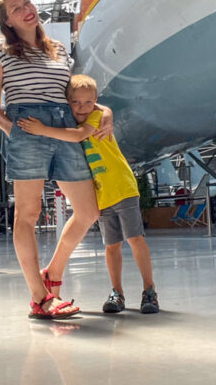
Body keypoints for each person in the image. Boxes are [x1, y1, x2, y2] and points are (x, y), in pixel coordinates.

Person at [0, 0, 113, 320]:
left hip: (63, 125)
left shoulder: (58, 50)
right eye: (16, 8)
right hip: (26, 126)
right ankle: (39, 298)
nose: (26, 9)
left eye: (26, 2)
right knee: (26, 214)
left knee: (88, 211)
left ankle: (52, 272)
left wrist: (103, 110)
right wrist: (12, 132)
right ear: (8, 21)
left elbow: (69, 95)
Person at [19, 74, 159, 314]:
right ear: (68, 102)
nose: (81, 107)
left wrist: (42, 129)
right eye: (75, 102)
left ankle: (149, 290)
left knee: (135, 239)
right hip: (102, 194)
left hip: (121, 187)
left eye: (87, 102)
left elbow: (78, 136)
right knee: (111, 246)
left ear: (94, 102)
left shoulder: (94, 118)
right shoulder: (74, 121)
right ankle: (117, 292)